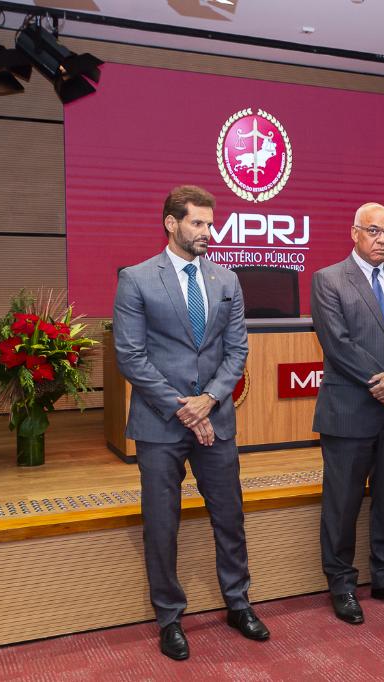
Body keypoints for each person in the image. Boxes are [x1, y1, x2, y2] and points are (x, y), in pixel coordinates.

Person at [113, 185, 269, 661]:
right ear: (171, 223)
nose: (207, 232)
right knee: (162, 525)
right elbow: (130, 356)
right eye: (197, 223)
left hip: (215, 419)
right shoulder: (137, 279)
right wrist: (183, 407)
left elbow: (237, 350)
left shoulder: (226, 280)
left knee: (230, 517)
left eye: (210, 223)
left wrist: (208, 400)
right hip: (160, 424)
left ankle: (238, 603)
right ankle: (169, 617)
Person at [311, 202, 384, 624]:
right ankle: (341, 584)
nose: (382, 239)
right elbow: (338, 344)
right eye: (373, 231)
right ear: (354, 233)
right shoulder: (328, 279)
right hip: (350, 410)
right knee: (342, 504)